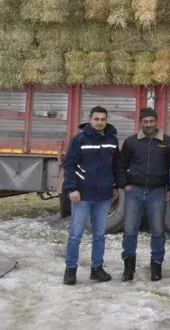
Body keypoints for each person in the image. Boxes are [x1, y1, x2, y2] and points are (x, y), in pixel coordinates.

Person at [62, 106, 120, 285]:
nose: (100, 122)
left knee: (99, 235)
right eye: (96, 119)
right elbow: (69, 164)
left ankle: (97, 268)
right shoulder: (79, 139)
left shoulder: (112, 140)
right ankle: (70, 270)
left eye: (103, 119)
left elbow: (116, 165)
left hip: (103, 196)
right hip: (82, 195)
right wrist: (72, 188)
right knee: (75, 234)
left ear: (106, 120)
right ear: (90, 119)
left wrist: (116, 185)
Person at [116, 107, 170, 282]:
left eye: (152, 121)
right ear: (140, 122)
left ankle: (156, 266)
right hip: (134, 191)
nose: (149, 125)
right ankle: (128, 267)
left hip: (157, 192)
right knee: (130, 230)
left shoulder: (168, 142)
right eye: (145, 121)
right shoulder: (131, 142)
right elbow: (120, 164)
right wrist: (124, 184)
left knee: (157, 231)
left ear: (157, 121)